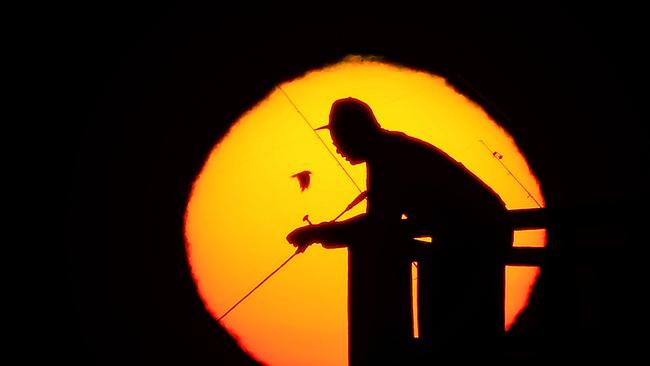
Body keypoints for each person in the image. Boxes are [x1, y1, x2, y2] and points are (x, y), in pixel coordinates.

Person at [286, 97, 511, 364]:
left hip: (476, 236)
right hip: (466, 235)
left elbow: (379, 222)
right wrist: (323, 233)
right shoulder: (387, 151)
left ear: (356, 132)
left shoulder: (388, 156)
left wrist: (319, 233)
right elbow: (382, 221)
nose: (336, 147)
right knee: (443, 321)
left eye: (338, 137)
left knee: (446, 327)